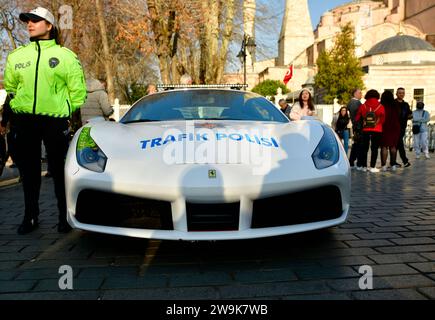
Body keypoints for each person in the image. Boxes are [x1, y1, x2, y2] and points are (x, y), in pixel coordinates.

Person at [4, 7, 87, 234]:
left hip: (55, 121)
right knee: (29, 172)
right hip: (25, 120)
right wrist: (14, 110)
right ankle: (30, 217)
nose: (29, 24)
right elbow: (11, 87)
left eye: (35, 20)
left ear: (49, 26)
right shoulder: (16, 56)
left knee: (59, 170)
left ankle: (64, 216)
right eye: (27, 21)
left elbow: (78, 91)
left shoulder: (65, 56)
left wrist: (64, 110)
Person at [355, 89, 385, 173]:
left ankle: (364, 166)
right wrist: (377, 123)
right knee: (374, 148)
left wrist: (363, 120)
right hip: (377, 129)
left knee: (365, 148)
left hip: (365, 129)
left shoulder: (363, 106)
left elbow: (357, 118)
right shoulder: (380, 106)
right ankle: (372, 167)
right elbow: (383, 119)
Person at [380, 90, 401, 171]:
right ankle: (393, 165)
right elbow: (399, 115)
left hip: (384, 127)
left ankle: (384, 166)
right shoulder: (396, 105)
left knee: (384, 146)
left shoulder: (382, 106)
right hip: (395, 127)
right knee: (393, 146)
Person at [395, 88, 412, 167]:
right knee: (399, 144)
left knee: (397, 144)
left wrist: (409, 116)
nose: (401, 94)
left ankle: (394, 161)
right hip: (394, 127)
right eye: (400, 93)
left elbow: (409, 114)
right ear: (396, 94)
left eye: (403, 93)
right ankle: (405, 161)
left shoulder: (406, 104)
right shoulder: (393, 103)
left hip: (402, 127)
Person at [347, 88, 363, 168]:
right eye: (359, 93)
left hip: (357, 126)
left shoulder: (355, 102)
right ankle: (355, 162)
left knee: (356, 145)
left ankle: (352, 161)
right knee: (358, 145)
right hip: (358, 127)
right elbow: (357, 116)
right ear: (355, 94)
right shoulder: (354, 102)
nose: (361, 94)